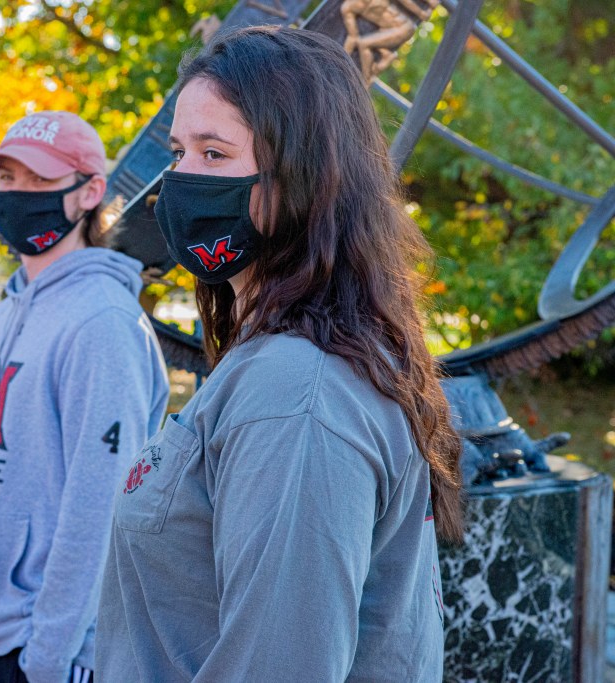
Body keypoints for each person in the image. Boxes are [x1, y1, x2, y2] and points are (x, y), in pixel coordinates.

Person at [97, 27, 464, 682]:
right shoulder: (288, 354)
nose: (181, 180)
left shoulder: (296, 393)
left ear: (306, 177)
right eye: (179, 151)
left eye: (215, 153)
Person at [0, 111, 170, 683]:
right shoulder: (2, 314)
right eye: (7, 178)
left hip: (41, 650)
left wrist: (47, 659)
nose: (18, 195)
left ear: (89, 193)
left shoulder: (103, 325)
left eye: (40, 181)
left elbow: (96, 512)